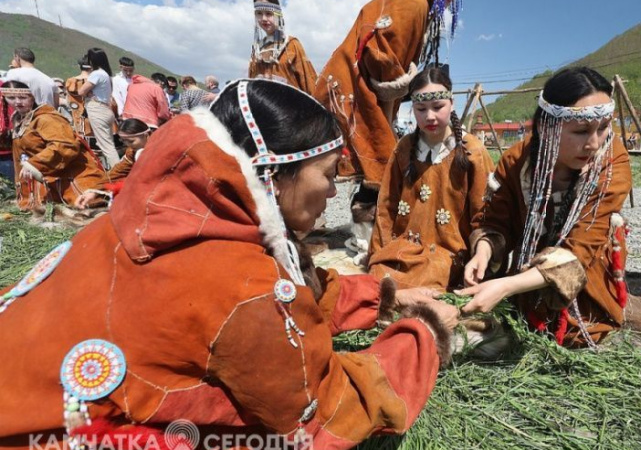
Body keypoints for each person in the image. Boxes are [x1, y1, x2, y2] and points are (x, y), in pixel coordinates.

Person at [0, 79, 458, 449]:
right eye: (328, 173)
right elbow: (322, 408)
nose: (335, 194)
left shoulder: (164, 212)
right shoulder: (245, 287)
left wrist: (383, 297)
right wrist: (424, 337)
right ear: (273, 176)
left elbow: (289, 290)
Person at [458, 67, 632, 347]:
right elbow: (496, 219)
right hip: (527, 274)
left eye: (602, 128)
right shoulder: (518, 160)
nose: (594, 143)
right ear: (545, 126)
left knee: (578, 333)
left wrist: (506, 286)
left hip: (586, 273)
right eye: (581, 130)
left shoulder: (612, 163)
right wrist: (484, 251)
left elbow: (582, 246)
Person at [314, 0, 462, 256]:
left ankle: (367, 236)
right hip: (356, 90)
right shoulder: (413, 4)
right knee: (379, 164)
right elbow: (380, 55)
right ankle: (364, 240)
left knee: (378, 162)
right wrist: (397, 86)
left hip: (361, 88)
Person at [368, 66, 493, 290]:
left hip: (449, 252)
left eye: (438, 107)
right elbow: (386, 206)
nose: (429, 116)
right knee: (378, 277)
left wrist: (481, 254)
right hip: (404, 247)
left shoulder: (472, 151)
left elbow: (484, 213)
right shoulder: (404, 148)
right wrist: (379, 251)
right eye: (421, 108)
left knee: (428, 283)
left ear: (451, 103)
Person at [2, 80, 107, 210]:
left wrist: (34, 164)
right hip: (49, 187)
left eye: (23, 97)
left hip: (73, 184)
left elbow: (65, 146)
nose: (17, 102)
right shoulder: (20, 119)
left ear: (32, 97)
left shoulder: (46, 118)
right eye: (11, 98)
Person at [74, 119, 150, 209]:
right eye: (124, 141)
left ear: (146, 135)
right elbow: (116, 172)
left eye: (131, 141)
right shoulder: (132, 152)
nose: (128, 145)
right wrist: (93, 191)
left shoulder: (161, 146)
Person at [248, 0, 317, 95]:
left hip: (291, 107)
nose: (263, 18)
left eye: (269, 13)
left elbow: (310, 84)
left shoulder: (291, 45)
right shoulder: (256, 50)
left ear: (278, 15)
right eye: (259, 13)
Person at [77, 48, 119, 169]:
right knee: (108, 144)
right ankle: (113, 170)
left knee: (106, 146)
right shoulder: (106, 75)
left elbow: (81, 91)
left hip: (97, 109)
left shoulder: (96, 74)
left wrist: (88, 93)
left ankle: (118, 173)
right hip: (106, 109)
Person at [64, 57, 95, 141]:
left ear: (80, 66)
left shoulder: (70, 82)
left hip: (77, 120)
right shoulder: (96, 82)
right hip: (95, 121)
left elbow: (68, 101)